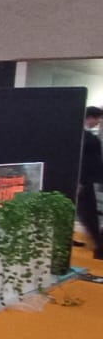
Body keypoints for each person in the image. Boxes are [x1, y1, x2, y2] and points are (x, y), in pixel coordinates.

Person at [77, 106, 103, 259]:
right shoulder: (84, 137)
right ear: (91, 117)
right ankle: (99, 246)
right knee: (88, 212)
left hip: (87, 180)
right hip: (84, 180)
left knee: (88, 213)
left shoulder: (87, 137)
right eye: (97, 119)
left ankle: (98, 244)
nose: (98, 122)